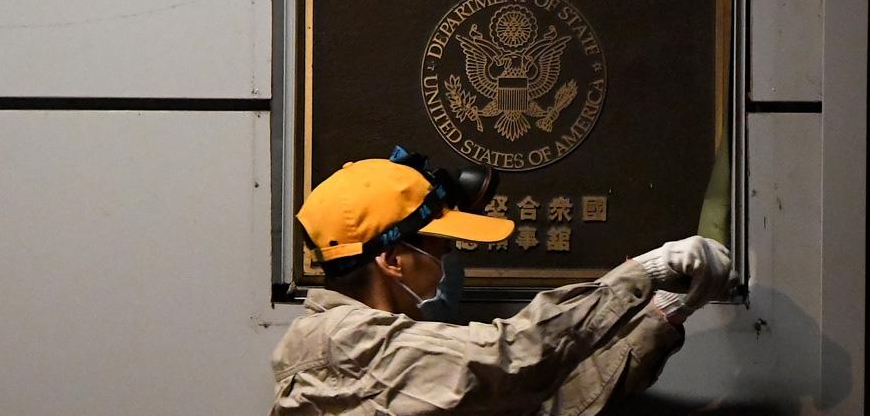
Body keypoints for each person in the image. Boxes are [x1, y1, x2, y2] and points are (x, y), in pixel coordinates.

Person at [270, 152, 734, 416]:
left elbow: (549, 406)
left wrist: (663, 316)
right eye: (440, 248)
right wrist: (642, 274)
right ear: (393, 260)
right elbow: (508, 355)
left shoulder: (387, 359)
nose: (450, 260)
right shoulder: (340, 341)